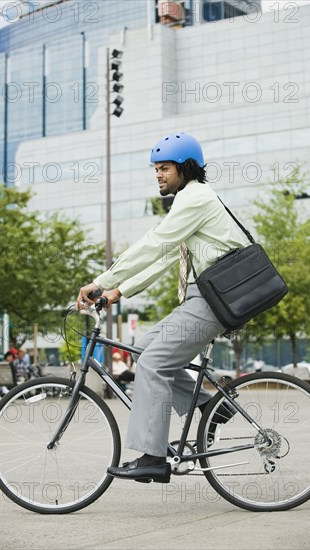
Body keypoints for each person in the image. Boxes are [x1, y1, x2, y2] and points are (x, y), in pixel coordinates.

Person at [76, 132, 250, 483]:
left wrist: (101, 281)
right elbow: (166, 256)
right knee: (142, 350)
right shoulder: (191, 202)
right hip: (206, 298)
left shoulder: (196, 198)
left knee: (154, 363)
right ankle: (208, 406)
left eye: (165, 167)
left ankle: (153, 457)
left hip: (214, 301)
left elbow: (155, 243)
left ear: (186, 168)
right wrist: (117, 292)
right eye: (156, 169)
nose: (158, 174)